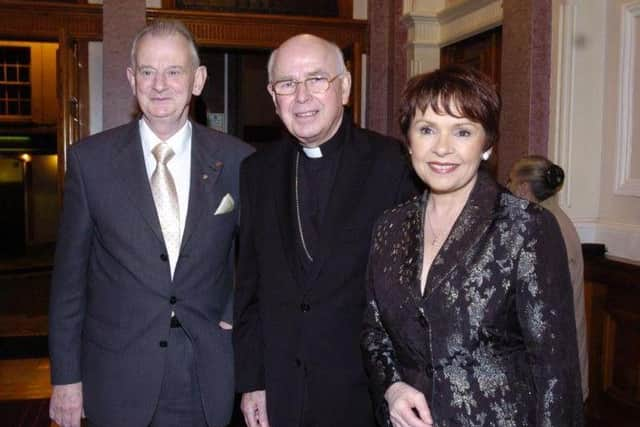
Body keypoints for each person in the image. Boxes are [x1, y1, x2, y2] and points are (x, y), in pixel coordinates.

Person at [48, 19, 253, 427]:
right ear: (131, 78)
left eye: (174, 71)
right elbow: (69, 281)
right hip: (117, 373)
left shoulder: (239, 161)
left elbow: (258, 258)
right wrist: (66, 377)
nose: (160, 85)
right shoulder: (91, 162)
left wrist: (234, 310)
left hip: (204, 369)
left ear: (198, 80)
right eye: (147, 71)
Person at [361, 65, 584, 427]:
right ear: (409, 140)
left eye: (462, 131)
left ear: (487, 145)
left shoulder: (525, 227)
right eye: (427, 129)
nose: (442, 148)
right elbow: (374, 331)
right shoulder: (390, 226)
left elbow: (555, 370)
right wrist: (392, 388)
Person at [233, 34, 420, 427]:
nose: (301, 97)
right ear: (273, 96)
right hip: (281, 394)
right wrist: (253, 381)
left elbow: (408, 297)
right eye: (286, 84)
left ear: (345, 87)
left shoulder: (393, 166)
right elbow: (249, 287)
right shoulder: (257, 172)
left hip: (362, 395)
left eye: (317, 79)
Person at [508, 155, 589, 401]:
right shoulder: (559, 220)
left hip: (552, 358)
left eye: (510, 181)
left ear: (523, 188)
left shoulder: (541, 229)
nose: (508, 187)